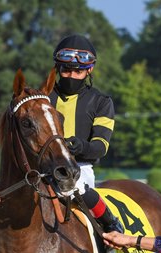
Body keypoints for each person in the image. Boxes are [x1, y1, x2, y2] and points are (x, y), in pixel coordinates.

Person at [49, 34, 123, 233]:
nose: (71, 76)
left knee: (78, 189)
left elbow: (101, 147)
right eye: (66, 70)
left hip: (80, 168)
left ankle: (111, 225)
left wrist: (81, 146)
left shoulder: (101, 102)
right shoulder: (44, 98)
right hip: (43, 167)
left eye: (78, 71)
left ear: (89, 69)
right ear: (57, 68)